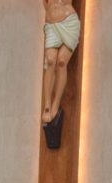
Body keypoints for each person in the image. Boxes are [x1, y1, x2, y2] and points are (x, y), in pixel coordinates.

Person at [40, 0, 80, 132]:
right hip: (51, 25)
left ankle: (56, 103)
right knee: (50, 61)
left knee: (61, 62)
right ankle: (47, 104)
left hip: (68, 23)